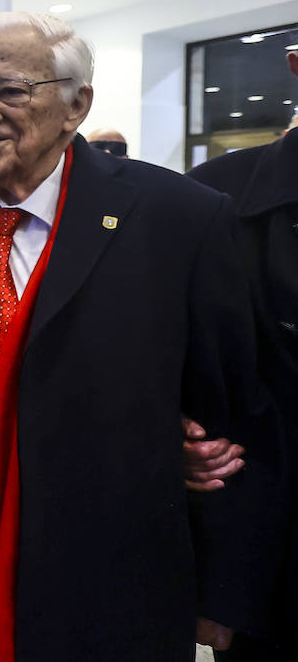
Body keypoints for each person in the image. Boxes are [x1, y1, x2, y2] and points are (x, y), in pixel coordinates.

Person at [0, 12, 281, 660]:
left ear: (77, 105)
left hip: (94, 582)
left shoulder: (178, 220)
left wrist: (218, 594)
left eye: (9, 91)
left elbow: (230, 414)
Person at [186, 46, 298, 659]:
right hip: (264, 564)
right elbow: (168, 369)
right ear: (295, 63)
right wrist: (218, 586)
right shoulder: (214, 200)